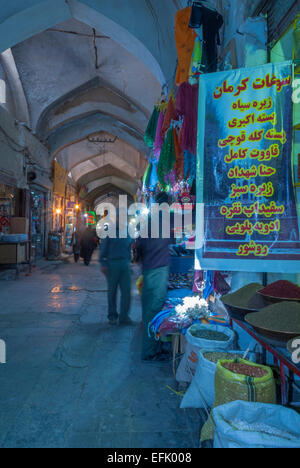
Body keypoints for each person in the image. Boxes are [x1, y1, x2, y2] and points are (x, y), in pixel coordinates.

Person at [136, 192, 173, 361]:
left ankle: (153, 346)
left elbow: (138, 246)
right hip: (158, 270)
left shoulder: (148, 221)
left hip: (148, 269)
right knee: (155, 310)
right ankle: (149, 350)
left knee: (148, 310)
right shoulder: (166, 219)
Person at [99, 216, 133, 326]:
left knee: (126, 292)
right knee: (112, 292)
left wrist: (129, 262)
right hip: (112, 264)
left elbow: (129, 248)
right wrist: (103, 264)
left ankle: (124, 317)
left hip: (125, 264)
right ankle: (112, 316)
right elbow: (103, 248)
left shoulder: (127, 231)